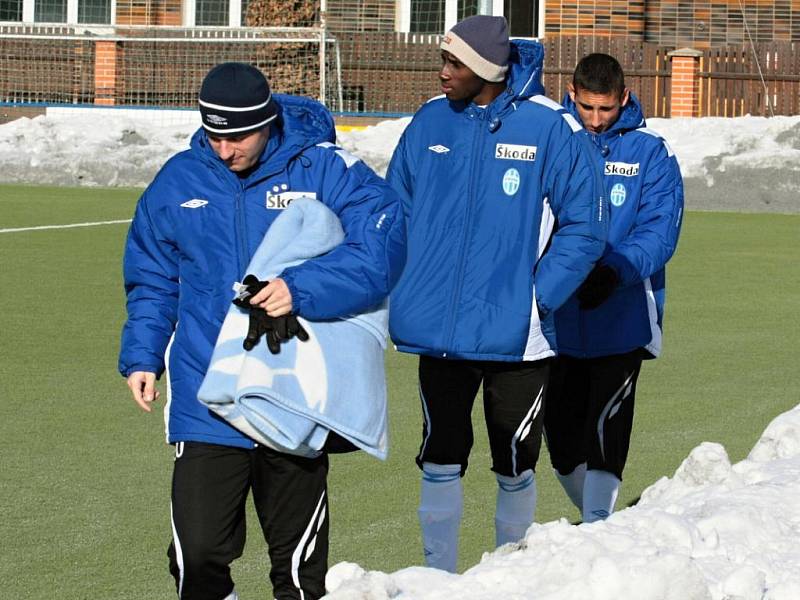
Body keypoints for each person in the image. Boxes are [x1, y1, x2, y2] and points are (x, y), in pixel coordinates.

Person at [118, 62, 405, 600]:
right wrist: (142, 355)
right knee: (197, 557)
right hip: (209, 394)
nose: (226, 151)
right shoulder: (177, 182)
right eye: (215, 136)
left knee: (297, 572)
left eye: (239, 136)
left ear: (269, 121)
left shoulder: (324, 169)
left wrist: (303, 286)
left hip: (293, 393)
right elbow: (152, 279)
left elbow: (382, 247)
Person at [386, 15, 607, 572]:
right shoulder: (429, 122)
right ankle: (438, 577)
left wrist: (538, 299)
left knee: (515, 461)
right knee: (439, 455)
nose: (443, 73)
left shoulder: (550, 128)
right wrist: (404, 285)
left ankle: (508, 573)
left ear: (486, 69)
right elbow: (395, 213)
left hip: (517, 335)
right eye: (444, 60)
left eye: (455, 64)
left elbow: (585, 227)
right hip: (438, 333)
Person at [544, 53, 684, 524]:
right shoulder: (554, 141)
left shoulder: (651, 152)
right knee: (561, 442)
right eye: (587, 108)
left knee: (607, 427)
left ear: (624, 98)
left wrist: (613, 272)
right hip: (557, 315)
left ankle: (600, 527)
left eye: (606, 109)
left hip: (622, 313)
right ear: (571, 94)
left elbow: (660, 231)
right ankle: (601, 526)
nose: (597, 120)